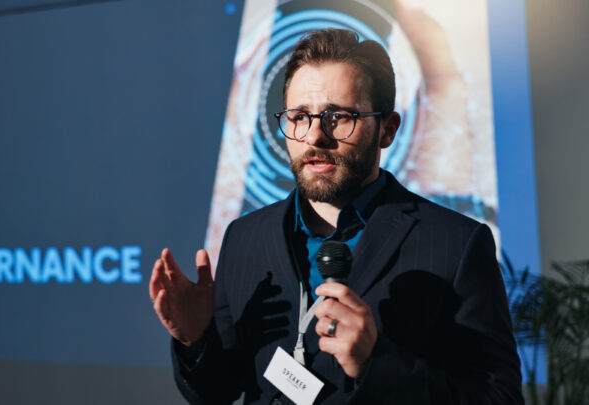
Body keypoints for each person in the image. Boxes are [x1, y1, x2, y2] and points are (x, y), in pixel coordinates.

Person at [149, 28, 523, 404]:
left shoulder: (455, 243)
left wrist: (376, 363)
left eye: (338, 117)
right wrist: (195, 342)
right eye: (299, 117)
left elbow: (500, 397)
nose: (314, 137)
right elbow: (220, 390)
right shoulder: (245, 236)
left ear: (387, 130)